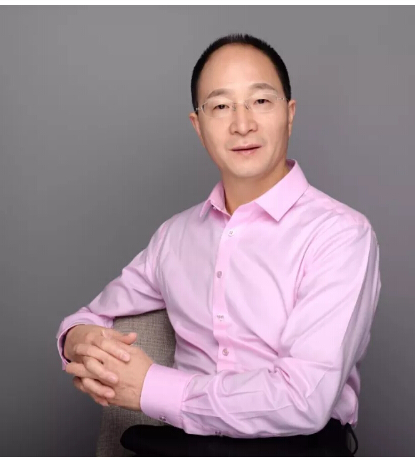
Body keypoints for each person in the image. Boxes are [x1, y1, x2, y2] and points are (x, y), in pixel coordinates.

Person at [56, 33, 381, 456]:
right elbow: (90, 316)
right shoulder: (175, 237)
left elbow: (303, 401)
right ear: (198, 126)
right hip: (185, 447)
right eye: (221, 106)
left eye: (260, 101)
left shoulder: (340, 234)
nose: (242, 124)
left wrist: (152, 388)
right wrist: (78, 341)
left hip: (297, 447)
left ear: (289, 114)